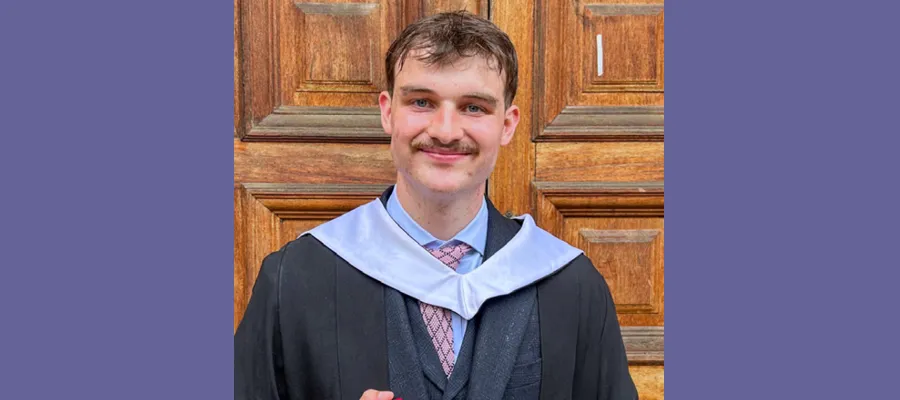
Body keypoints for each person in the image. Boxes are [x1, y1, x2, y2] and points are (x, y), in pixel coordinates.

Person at [234, 11, 638, 400]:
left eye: (473, 107)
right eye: (422, 102)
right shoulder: (296, 279)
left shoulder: (570, 285)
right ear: (388, 112)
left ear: (508, 124)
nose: (445, 132)